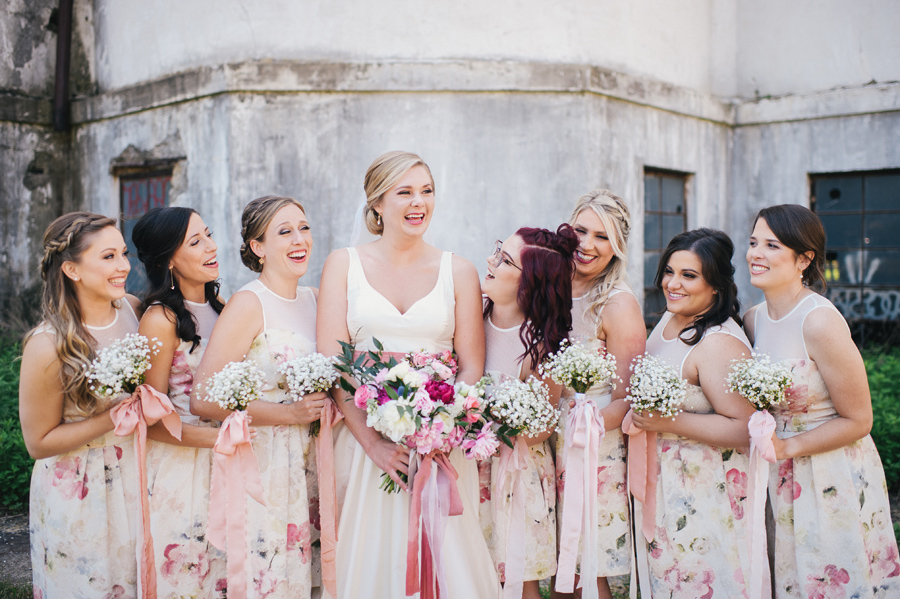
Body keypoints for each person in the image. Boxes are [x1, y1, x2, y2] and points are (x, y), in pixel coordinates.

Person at [317, 150, 498, 598]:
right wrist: (375, 444)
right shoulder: (344, 264)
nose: (419, 202)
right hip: (362, 444)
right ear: (377, 202)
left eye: (427, 191)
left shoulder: (459, 271)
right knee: (371, 557)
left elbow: (472, 364)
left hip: (440, 448)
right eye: (405, 192)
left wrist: (443, 429)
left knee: (447, 559)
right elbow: (335, 366)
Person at [743, 205, 900, 598]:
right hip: (771, 472)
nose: (755, 253)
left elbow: (859, 419)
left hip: (828, 473)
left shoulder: (818, 320)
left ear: (804, 258)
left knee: (828, 579)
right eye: (753, 242)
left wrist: (788, 447)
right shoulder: (752, 319)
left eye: (771, 245)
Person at [191, 196, 325, 598]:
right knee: (271, 578)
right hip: (266, 465)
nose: (299, 239)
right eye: (284, 232)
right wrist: (290, 414)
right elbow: (203, 399)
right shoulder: (249, 304)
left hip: (316, 459)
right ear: (258, 247)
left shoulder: (317, 300)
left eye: (303, 227)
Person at [20, 212, 142, 597]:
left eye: (124, 254)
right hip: (79, 491)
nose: (123, 266)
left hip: (140, 477)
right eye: (108, 257)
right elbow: (38, 442)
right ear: (72, 269)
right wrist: (111, 418)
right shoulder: (48, 343)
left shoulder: (134, 311)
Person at [631, 228, 754, 598]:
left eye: (689, 275)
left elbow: (745, 428)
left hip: (703, 490)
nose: (673, 283)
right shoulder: (672, 320)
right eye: (669, 271)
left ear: (715, 285)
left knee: (702, 581)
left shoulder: (718, 343)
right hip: (662, 480)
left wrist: (667, 421)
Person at [553, 190, 645, 599]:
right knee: (551, 565)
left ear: (618, 247)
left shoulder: (617, 303)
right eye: (581, 230)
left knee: (586, 571)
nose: (587, 245)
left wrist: (579, 430)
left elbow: (629, 397)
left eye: (602, 237)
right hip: (539, 444)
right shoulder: (549, 284)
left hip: (592, 448)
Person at [132, 207, 226, 596]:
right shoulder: (160, 319)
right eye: (195, 241)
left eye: (208, 234)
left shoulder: (228, 308)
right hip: (182, 468)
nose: (211, 247)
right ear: (169, 258)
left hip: (229, 462)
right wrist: (219, 440)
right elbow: (151, 421)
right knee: (189, 581)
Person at [481, 225, 577, 598]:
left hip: (516, 476)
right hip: (467, 470)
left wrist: (481, 426)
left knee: (517, 580)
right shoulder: (471, 312)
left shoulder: (544, 345)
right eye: (498, 250)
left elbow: (538, 429)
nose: (491, 260)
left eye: (504, 260)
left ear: (530, 284)